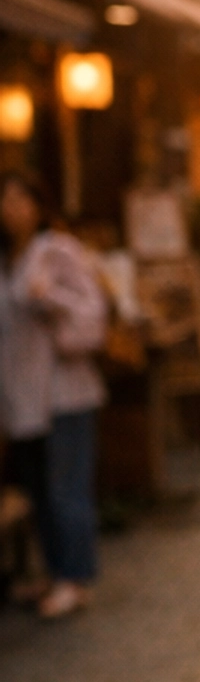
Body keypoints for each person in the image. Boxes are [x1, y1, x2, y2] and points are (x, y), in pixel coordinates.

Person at [0, 171, 107, 617]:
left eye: (21, 199)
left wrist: (52, 299)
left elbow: (92, 312)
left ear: (38, 205)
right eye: (5, 200)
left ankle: (74, 578)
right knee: (40, 491)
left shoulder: (57, 251)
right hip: (18, 397)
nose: (12, 208)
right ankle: (53, 572)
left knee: (67, 489)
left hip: (65, 394)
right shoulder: (6, 260)